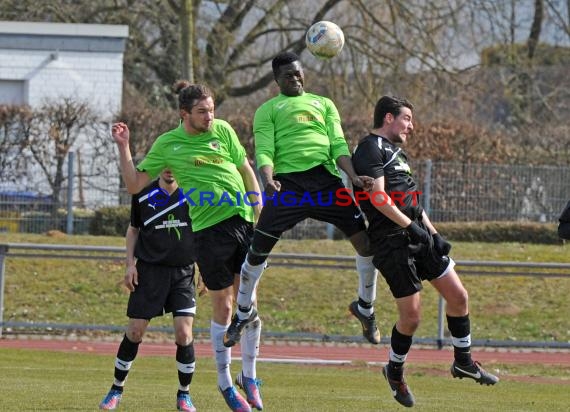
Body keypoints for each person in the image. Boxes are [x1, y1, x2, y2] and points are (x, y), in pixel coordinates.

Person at [111, 81, 263, 412]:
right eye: (202, 112)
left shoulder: (222, 130)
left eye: (212, 110)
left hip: (243, 223)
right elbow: (135, 184)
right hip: (208, 232)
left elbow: (246, 170)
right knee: (224, 307)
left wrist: (257, 209)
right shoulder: (168, 143)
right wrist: (123, 146)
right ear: (184, 114)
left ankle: (249, 376)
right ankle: (225, 383)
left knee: (249, 305)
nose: (210, 117)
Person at [224, 51, 380, 349]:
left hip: (325, 182)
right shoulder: (268, 109)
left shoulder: (324, 104)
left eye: (298, 73)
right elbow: (265, 150)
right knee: (257, 251)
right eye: (288, 76)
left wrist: (354, 177)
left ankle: (366, 308)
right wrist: (267, 179)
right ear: (276, 80)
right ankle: (243, 312)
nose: (295, 78)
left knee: (365, 243)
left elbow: (338, 144)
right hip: (288, 186)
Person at [351, 95, 499, 407]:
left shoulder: (398, 154)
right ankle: (394, 372)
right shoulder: (369, 148)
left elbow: (412, 201)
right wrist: (409, 227)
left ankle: (464, 361)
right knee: (412, 316)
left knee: (459, 297)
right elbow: (378, 198)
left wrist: (433, 233)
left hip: (418, 233)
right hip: (392, 240)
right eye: (407, 119)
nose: (412, 126)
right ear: (389, 118)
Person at [99, 169, 198, 411]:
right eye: (165, 164)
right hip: (149, 271)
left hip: (183, 272)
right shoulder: (143, 193)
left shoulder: (194, 192)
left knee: (184, 334)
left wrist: (205, 267)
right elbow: (133, 230)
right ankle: (116, 388)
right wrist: (130, 265)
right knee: (135, 332)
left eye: (175, 164)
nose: (170, 169)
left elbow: (203, 230)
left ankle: (184, 395)